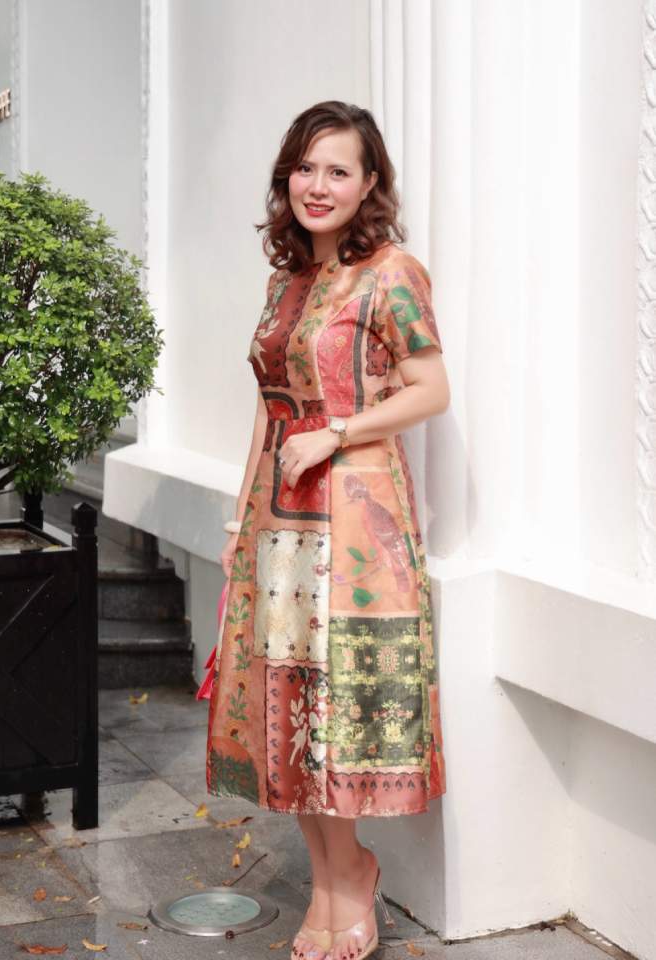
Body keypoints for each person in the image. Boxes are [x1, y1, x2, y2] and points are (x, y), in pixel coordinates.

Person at [206, 100, 450, 960]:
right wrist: (241, 511)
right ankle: (332, 881)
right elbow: (267, 410)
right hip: (279, 520)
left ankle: (350, 879)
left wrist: (339, 430)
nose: (318, 185)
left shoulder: (392, 274)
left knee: (333, 709)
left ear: (368, 182)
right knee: (285, 707)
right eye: (305, 168)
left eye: (338, 170)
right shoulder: (284, 283)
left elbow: (430, 390)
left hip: (355, 521)